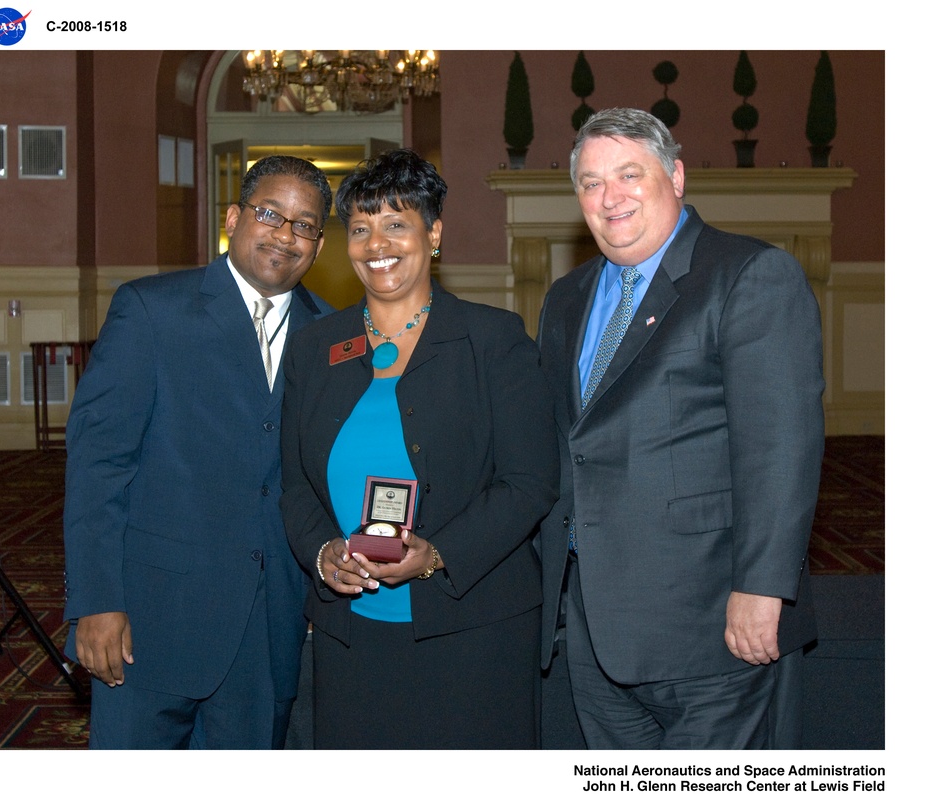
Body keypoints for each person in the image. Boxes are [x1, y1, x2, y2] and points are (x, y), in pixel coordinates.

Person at [537, 108, 824, 750]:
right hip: (593, 626)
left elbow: (780, 448)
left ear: (676, 176)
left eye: (629, 174)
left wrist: (762, 585)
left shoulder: (748, 275)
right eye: (590, 182)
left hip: (712, 621)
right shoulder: (566, 298)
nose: (610, 197)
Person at [279, 149, 559, 749]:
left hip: (475, 629)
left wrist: (438, 553)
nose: (375, 243)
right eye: (359, 228)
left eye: (396, 224)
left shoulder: (493, 340)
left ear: (433, 234)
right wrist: (323, 551)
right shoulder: (315, 347)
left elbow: (531, 481)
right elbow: (294, 484)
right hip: (349, 633)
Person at [62, 155, 334, 749]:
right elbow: (98, 465)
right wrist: (96, 600)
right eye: (270, 214)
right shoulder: (151, 310)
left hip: (269, 631)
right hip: (150, 623)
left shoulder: (332, 336)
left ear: (318, 244)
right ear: (234, 218)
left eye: (305, 224)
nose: (285, 235)